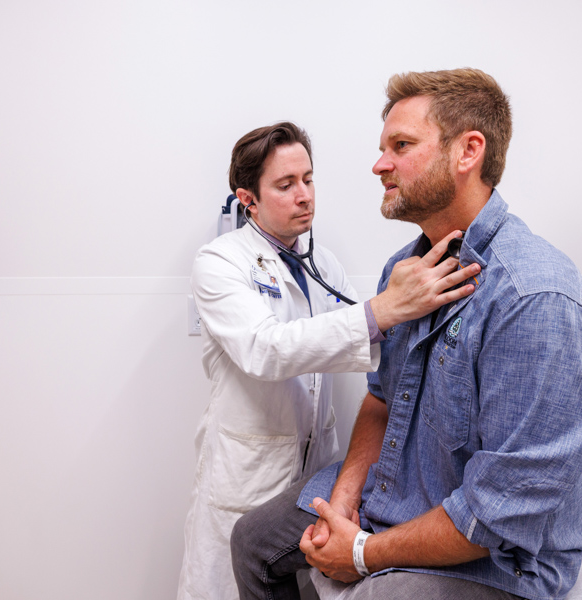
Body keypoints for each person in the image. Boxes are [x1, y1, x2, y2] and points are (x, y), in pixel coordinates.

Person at [229, 70, 582, 600]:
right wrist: (345, 498)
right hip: (403, 492)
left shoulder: (535, 299)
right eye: (382, 147)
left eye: (401, 146)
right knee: (252, 540)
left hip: (501, 557)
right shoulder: (406, 269)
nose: (378, 164)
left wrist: (362, 552)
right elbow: (382, 399)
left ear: (467, 152)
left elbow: (497, 512)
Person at [178, 122, 480, 600]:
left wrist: (413, 312)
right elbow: (266, 349)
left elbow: (368, 346)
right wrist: (384, 308)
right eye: (285, 185)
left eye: (309, 179)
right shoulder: (219, 262)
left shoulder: (325, 264)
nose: (305, 196)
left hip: (316, 466)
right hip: (247, 473)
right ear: (247, 199)